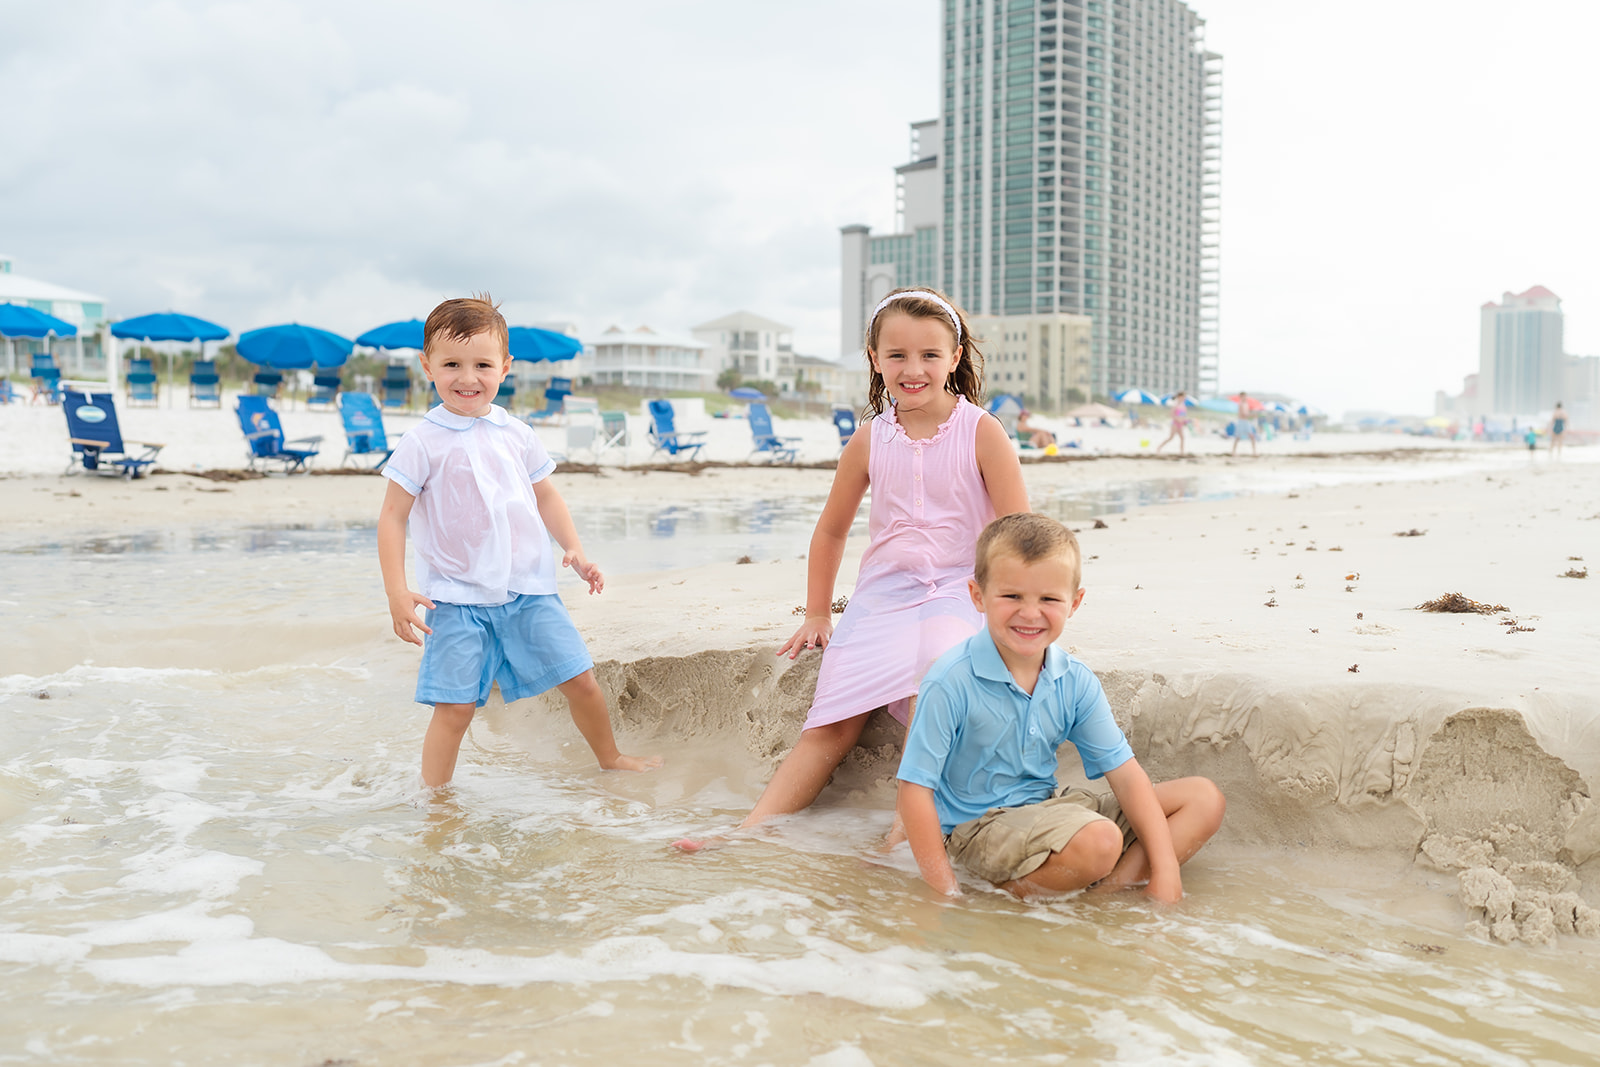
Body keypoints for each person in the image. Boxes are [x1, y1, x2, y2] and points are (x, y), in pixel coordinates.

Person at [684, 287, 1029, 844]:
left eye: (929, 355)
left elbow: (1019, 530)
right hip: (882, 597)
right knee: (831, 719)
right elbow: (831, 530)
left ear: (955, 358)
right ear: (874, 358)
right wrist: (817, 612)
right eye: (896, 355)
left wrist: (1014, 609)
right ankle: (749, 831)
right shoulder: (869, 440)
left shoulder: (982, 432)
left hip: (960, 591)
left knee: (934, 680)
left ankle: (904, 833)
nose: (912, 369)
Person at [378, 294, 660, 788]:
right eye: (451, 364)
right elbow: (391, 517)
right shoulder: (422, 441)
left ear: (505, 367)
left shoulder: (517, 433)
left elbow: (546, 495)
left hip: (529, 589)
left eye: (482, 364)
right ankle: (435, 799)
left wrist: (573, 549)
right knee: (455, 708)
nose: (468, 378)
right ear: (428, 366)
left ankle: (610, 757)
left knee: (581, 681)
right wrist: (397, 592)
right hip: (456, 597)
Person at [897, 513, 1225, 901]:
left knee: (1203, 799)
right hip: (977, 830)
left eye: (1049, 599)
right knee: (1101, 840)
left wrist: (1168, 873)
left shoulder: (1074, 680)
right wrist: (944, 892)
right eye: (1012, 596)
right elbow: (914, 790)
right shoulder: (951, 680)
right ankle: (997, 901)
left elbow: (1126, 776)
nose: (1031, 613)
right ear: (977, 595)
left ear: (1075, 602)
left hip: (1049, 809)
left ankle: (1110, 891)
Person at [1230, 392, 1259, 457]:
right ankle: (1233, 452)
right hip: (1241, 422)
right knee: (1237, 437)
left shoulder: (1246, 404)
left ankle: (1254, 452)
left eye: (1245, 396)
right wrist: (1253, 415)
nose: (1244, 397)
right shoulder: (1240, 404)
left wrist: (1252, 415)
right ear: (1240, 397)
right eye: (1243, 396)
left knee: (1252, 436)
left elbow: (1247, 413)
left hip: (1246, 422)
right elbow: (1244, 414)